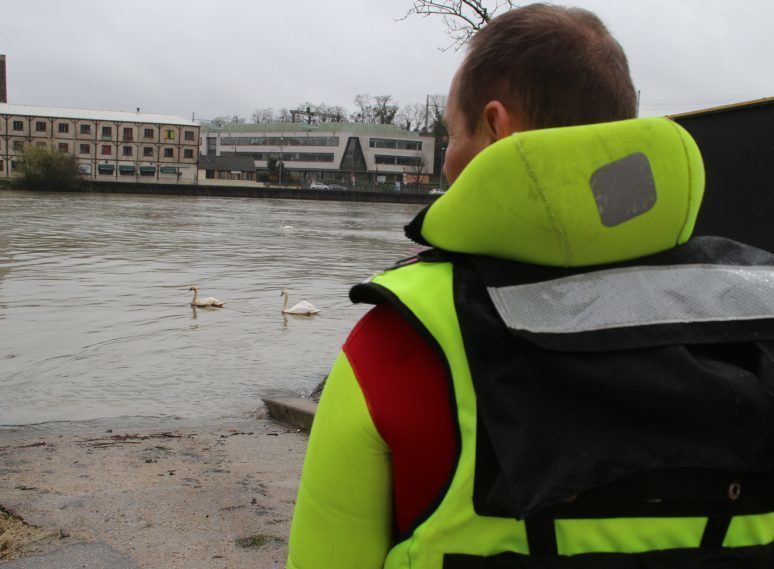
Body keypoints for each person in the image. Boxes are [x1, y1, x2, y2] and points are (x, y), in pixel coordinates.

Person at [287, 4, 774, 568]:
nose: (448, 160)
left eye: (452, 134)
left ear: (496, 125)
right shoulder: (757, 311)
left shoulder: (398, 342)